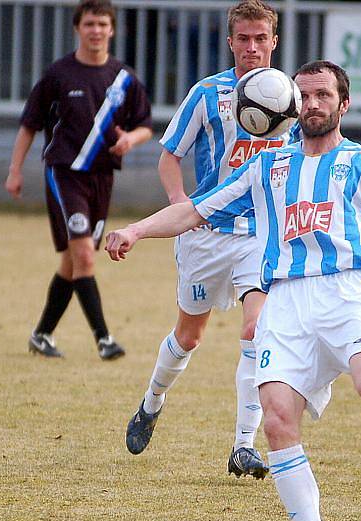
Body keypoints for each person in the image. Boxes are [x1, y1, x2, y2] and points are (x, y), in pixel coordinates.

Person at [105, 60, 361, 521]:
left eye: (324, 94)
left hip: (349, 293)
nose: (314, 103)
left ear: (343, 105)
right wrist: (135, 231)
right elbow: (195, 211)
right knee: (277, 421)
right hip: (286, 302)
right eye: (305, 95)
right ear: (292, 106)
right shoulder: (267, 168)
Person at [122, 0, 297, 479]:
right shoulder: (207, 94)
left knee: (255, 330)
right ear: (230, 41)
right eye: (244, 39)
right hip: (206, 235)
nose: (252, 48)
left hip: (259, 236)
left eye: (261, 39)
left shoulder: (289, 98)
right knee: (188, 336)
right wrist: (184, 206)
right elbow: (169, 156)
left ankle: (244, 445)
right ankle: (152, 401)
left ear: (274, 41)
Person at [5, 0, 152, 360]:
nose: (96, 30)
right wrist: (14, 170)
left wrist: (129, 140)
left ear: (112, 30)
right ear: (77, 28)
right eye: (89, 24)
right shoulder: (58, 75)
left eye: (103, 24)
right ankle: (104, 339)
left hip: (101, 177)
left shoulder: (125, 79)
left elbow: (146, 126)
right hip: (64, 172)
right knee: (84, 255)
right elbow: (30, 124)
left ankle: (42, 334)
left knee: (73, 263)